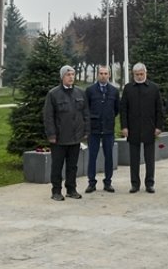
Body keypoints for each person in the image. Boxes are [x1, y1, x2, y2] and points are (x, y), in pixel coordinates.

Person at [43, 65, 89, 201]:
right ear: (62, 77)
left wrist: (86, 131)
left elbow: (86, 113)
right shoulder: (53, 94)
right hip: (59, 138)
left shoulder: (80, 93)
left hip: (75, 138)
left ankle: (71, 189)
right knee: (57, 166)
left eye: (73, 75)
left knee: (72, 166)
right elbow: (48, 116)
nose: (71, 77)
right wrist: (51, 135)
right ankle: (56, 191)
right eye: (68, 75)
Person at [120, 63, 164, 193]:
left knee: (150, 159)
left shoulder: (154, 88)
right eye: (137, 74)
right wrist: (124, 126)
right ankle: (135, 184)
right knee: (134, 159)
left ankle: (149, 183)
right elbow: (123, 109)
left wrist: (159, 126)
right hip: (133, 128)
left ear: (146, 73)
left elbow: (159, 109)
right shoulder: (128, 88)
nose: (139, 77)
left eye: (141, 74)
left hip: (149, 128)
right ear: (133, 75)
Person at [85, 65, 119, 193]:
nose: (103, 75)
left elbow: (116, 109)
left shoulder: (114, 91)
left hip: (108, 129)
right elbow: (86, 108)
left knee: (109, 156)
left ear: (109, 75)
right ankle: (91, 183)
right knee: (92, 156)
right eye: (101, 73)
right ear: (97, 75)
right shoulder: (90, 90)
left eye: (106, 73)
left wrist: (108, 117)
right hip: (94, 129)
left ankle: (108, 182)